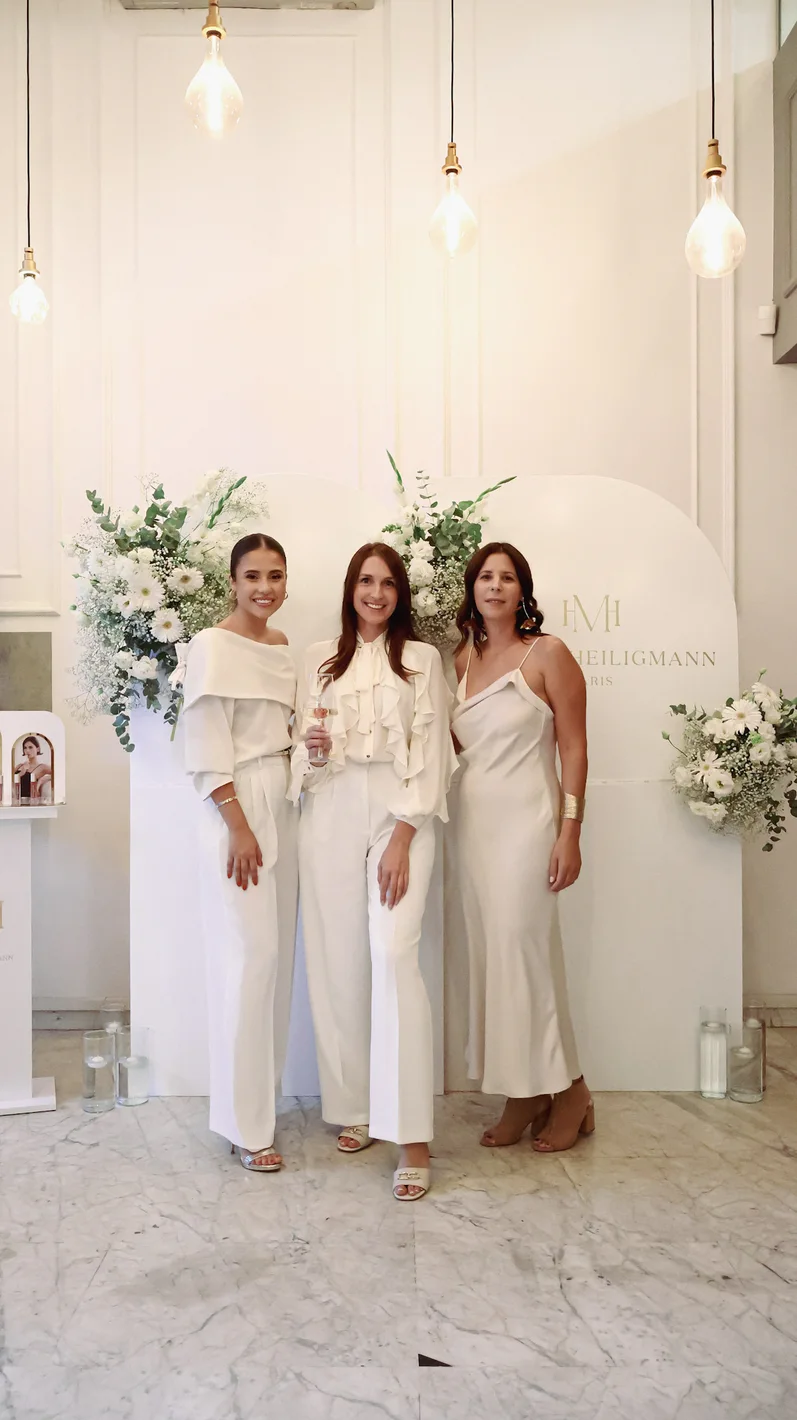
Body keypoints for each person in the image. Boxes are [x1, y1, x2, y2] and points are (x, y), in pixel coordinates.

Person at [291, 543, 456, 1201]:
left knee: (392, 955)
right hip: (329, 810)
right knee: (336, 962)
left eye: (387, 583)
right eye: (365, 581)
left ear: (400, 593)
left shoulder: (422, 659)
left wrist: (404, 834)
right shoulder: (316, 658)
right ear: (349, 588)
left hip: (399, 814)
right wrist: (312, 754)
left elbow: (435, 753)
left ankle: (411, 1136)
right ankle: (354, 1105)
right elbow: (301, 757)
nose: (376, 593)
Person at [449, 541, 593, 1153]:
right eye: (485, 576)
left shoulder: (548, 653)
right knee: (493, 961)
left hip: (529, 827)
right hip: (473, 829)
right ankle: (524, 1092)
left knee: (525, 957)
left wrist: (570, 830)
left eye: (507, 578)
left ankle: (571, 1091)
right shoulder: (461, 658)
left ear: (522, 591)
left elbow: (574, 746)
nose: (495, 586)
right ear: (472, 589)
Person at [181, 533, 298, 1173]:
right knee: (249, 959)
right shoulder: (211, 645)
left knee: (274, 961)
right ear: (232, 581)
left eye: (275, 575)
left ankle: (259, 1107)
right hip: (238, 807)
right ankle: (245, 1126)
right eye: (252, 575)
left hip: (284, 801)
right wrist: (238, 824)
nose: (264, 587)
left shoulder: (281, 648)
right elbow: (205, 742)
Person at [14, 736, 51, 804]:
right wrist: (21, 773)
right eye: (25, 748)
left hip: (30, 804)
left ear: (38, 749)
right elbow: (8, 781)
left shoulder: (42, 767)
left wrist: (41, 780)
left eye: (30, 747)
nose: (27, 750)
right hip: (15, 802)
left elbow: (58, 773)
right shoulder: (19, 766)